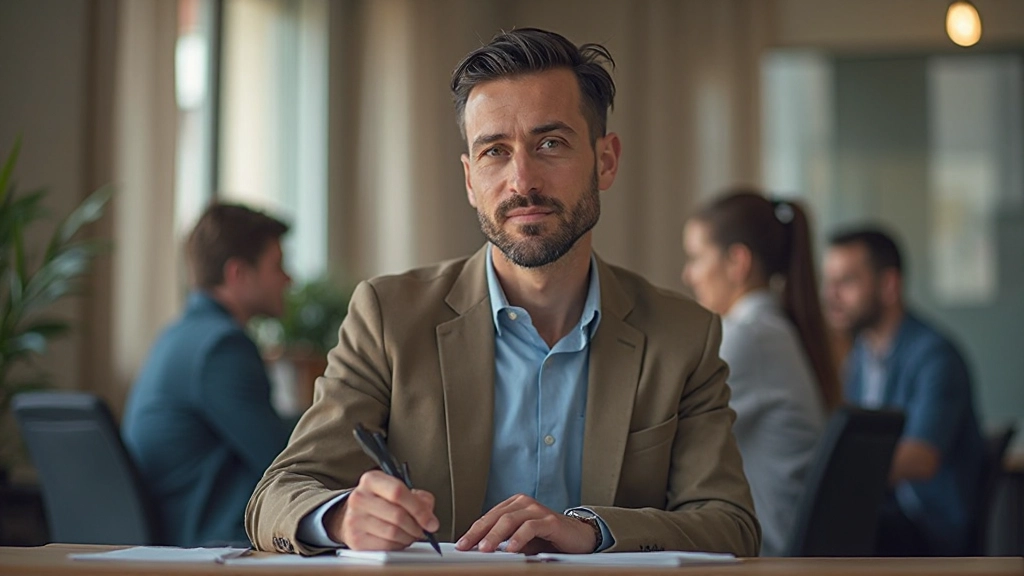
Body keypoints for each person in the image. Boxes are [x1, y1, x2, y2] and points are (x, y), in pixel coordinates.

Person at [245, 28, 759, 557]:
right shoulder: (388, 317)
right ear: (470, 180)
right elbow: (278, 495)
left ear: (605, 160)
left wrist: (592, 530)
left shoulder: (682, 335)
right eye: (495, 152)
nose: (522, 180)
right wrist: (342, 518)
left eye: (550, 144)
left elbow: (730, 523)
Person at [122, 203, 294, 547]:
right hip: (209, 543)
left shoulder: (178, 336)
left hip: (175, 535)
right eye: (277, 266)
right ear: (238, 274)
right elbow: (284, 462)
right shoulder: (221, 348)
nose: (289, 279)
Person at [681, 190, 837, 556]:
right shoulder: (770, 330)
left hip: (765, 550)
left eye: (696, 257)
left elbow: (667, 432)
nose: (688, 274)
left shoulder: (748, 337)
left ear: (737, 262)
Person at [822, 228, 984, 556]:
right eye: (829, 282)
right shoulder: (859, 358)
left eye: (847, 282)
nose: (831, 295)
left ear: (889, 285)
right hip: (887, 516)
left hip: (929, 528)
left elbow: (921, 458)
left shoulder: (934, 356)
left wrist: (832, 472)